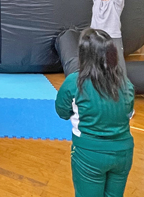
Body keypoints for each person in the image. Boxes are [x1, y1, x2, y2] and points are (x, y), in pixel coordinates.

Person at [55, 28, 135, 197]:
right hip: (123, 152)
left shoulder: (75, 82)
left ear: (84, 54)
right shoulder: (125, 83)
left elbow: (61, 111)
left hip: (89, 153)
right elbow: (128, 113)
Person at [88, 0, 127, 75]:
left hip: (112, 37)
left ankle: (122, 89)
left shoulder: (116, 3)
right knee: (95, 64)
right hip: (96, 36)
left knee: (117, 65)